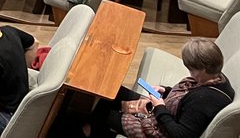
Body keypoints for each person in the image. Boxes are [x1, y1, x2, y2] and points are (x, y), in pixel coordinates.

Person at [82, 37, 233, 138]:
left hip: (161, 127)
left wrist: (160, 107)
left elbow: (180, 135)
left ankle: (93, 130)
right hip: (166, 110)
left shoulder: (203, 102)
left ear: (203, 69)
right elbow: (185, 94)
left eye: (191, 69)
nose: (190, 73)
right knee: (115, 91)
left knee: (102, 112)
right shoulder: (218, 78)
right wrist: (166, 90)